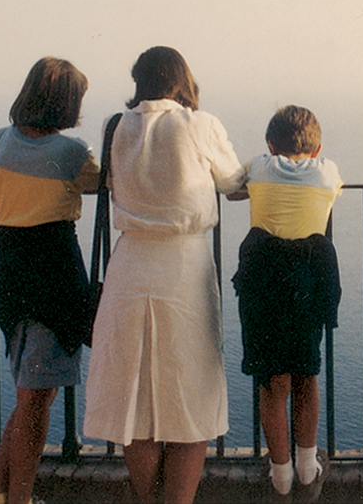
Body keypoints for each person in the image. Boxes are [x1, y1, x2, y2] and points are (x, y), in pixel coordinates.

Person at [83, 46, 245, 504]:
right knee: (191, 399)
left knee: (135, 403)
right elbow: (235, 183)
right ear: (182, 80)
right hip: (183, 269)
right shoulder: (199, 125)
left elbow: (108, 182)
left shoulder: (115, 126)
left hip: (129, 267)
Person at [0, 57, 100, 504]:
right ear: (67, 104)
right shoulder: (73, 154)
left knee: (31, 396)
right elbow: (103, 184)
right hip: (55, 281)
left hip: (11, 279)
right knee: (35, 403)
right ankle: (17, 500)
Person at [230, 106, 342, 501]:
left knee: (273, 382)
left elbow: (230, 188)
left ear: (270, 145)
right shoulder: (328, 172)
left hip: (263, 282)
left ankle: (280, 477)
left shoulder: (259, 167)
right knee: (306, 374)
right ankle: (308, 471)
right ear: (318, 149)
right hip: (309, 281)